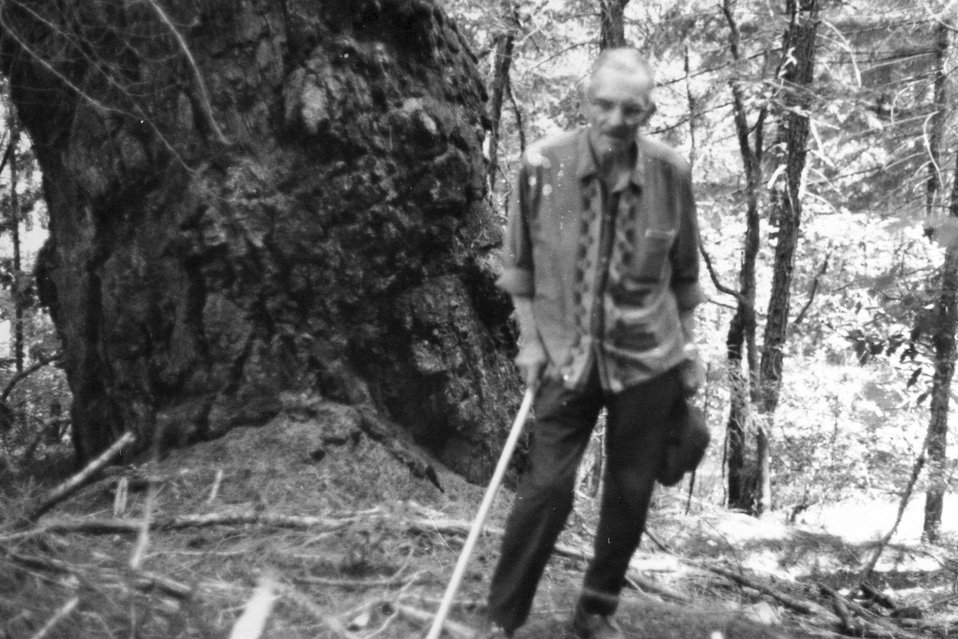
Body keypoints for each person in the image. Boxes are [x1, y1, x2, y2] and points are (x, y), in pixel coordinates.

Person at [479, 47, 706, 639]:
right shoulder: (540, 165)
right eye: (604, 105)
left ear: (648, 111)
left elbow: (684, 278)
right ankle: (504, 617)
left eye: (631, 110)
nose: (615, 120)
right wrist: (530, 342)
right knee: (546, 488)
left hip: (648, 358)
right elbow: (519, 269)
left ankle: (595, 610)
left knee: (629, 491)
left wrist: (689, 353)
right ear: (585, 102)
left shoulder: (670, 172)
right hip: (565, 352)